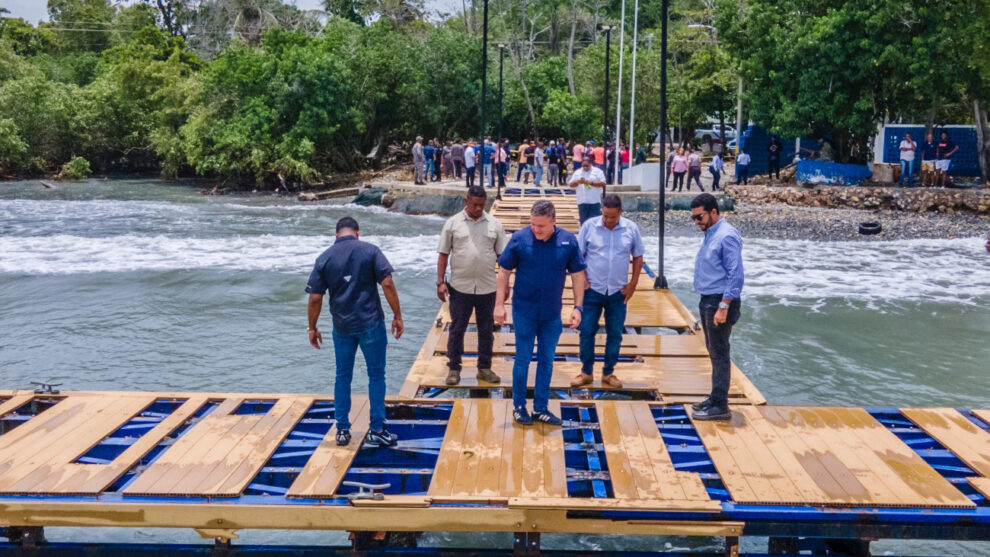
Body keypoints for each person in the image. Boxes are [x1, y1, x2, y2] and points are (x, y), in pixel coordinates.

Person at [306, 217, 404, 446]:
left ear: (336, 235)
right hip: (371, 323)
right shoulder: (370, 250)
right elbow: (387, 283)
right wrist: (397, 316)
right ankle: (377, 430)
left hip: (342, 327)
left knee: (342, 377)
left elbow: (315, 298)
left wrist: (312, 327)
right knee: (376, 375)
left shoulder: (324, 258)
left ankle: (342, 430)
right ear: (357, 233)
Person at [495, 200, 587, 426]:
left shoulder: (568, 241)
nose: (536, 230)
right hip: (524, 311)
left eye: (541, 226)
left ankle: (540, 408)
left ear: (554, 222)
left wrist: (578, 307)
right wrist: (499, 304)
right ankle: (518, 406)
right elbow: (504, 271)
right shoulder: (519, 238)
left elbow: (577, 275)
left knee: (546, 360)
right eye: (533, 224)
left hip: (551, 314)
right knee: (523, 359)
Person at [437, 186, 507, 386]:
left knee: (486, 329)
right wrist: (440, 282)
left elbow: (503, 258)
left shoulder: (494, 225)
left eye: (482, 205)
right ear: (466, 201)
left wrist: (505, 286)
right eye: (475, 204)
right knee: (457, 329)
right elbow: (443, 254)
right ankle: (454, 369)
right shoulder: (452, 224)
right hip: (460, 287)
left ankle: (484, 368)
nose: (478, 208)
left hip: (488, 287)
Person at [572, 195, 644, 389]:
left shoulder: (631, 229)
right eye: (605, 216)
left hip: (618, 291)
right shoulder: (589, 227)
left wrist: (633, 283)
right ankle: (586, 372)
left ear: (620, 212)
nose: (608, 221)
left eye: (612, 217)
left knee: (615, 333)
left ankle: (608, 373)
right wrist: (583, 279)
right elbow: (577, 256)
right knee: (586, 330)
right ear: (601, 211)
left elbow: (638, 256)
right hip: (592, 289)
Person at [689, 194, 743, 421]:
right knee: (713, 350)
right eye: (693, 218)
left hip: (720, 301)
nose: (697, 222)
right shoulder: (711, 233)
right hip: (709, 299)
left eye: (699, 217)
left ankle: (721, 405)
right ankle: (715, 397)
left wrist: (724, 306)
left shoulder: (726, 235)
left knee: (720, 352)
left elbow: (736, 274)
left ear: (713, 212)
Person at [569, 156, 607, 224]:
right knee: (584, 223)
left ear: (591, 164)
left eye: (587, 166)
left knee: (595, 223)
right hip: (582, 201)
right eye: (583, 166)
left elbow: (603, 183)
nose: (585, 167)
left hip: (594, 202)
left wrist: (591, 183)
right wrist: (578, 182)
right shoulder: (577, 172)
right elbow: (571, 184)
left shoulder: (598, 172)